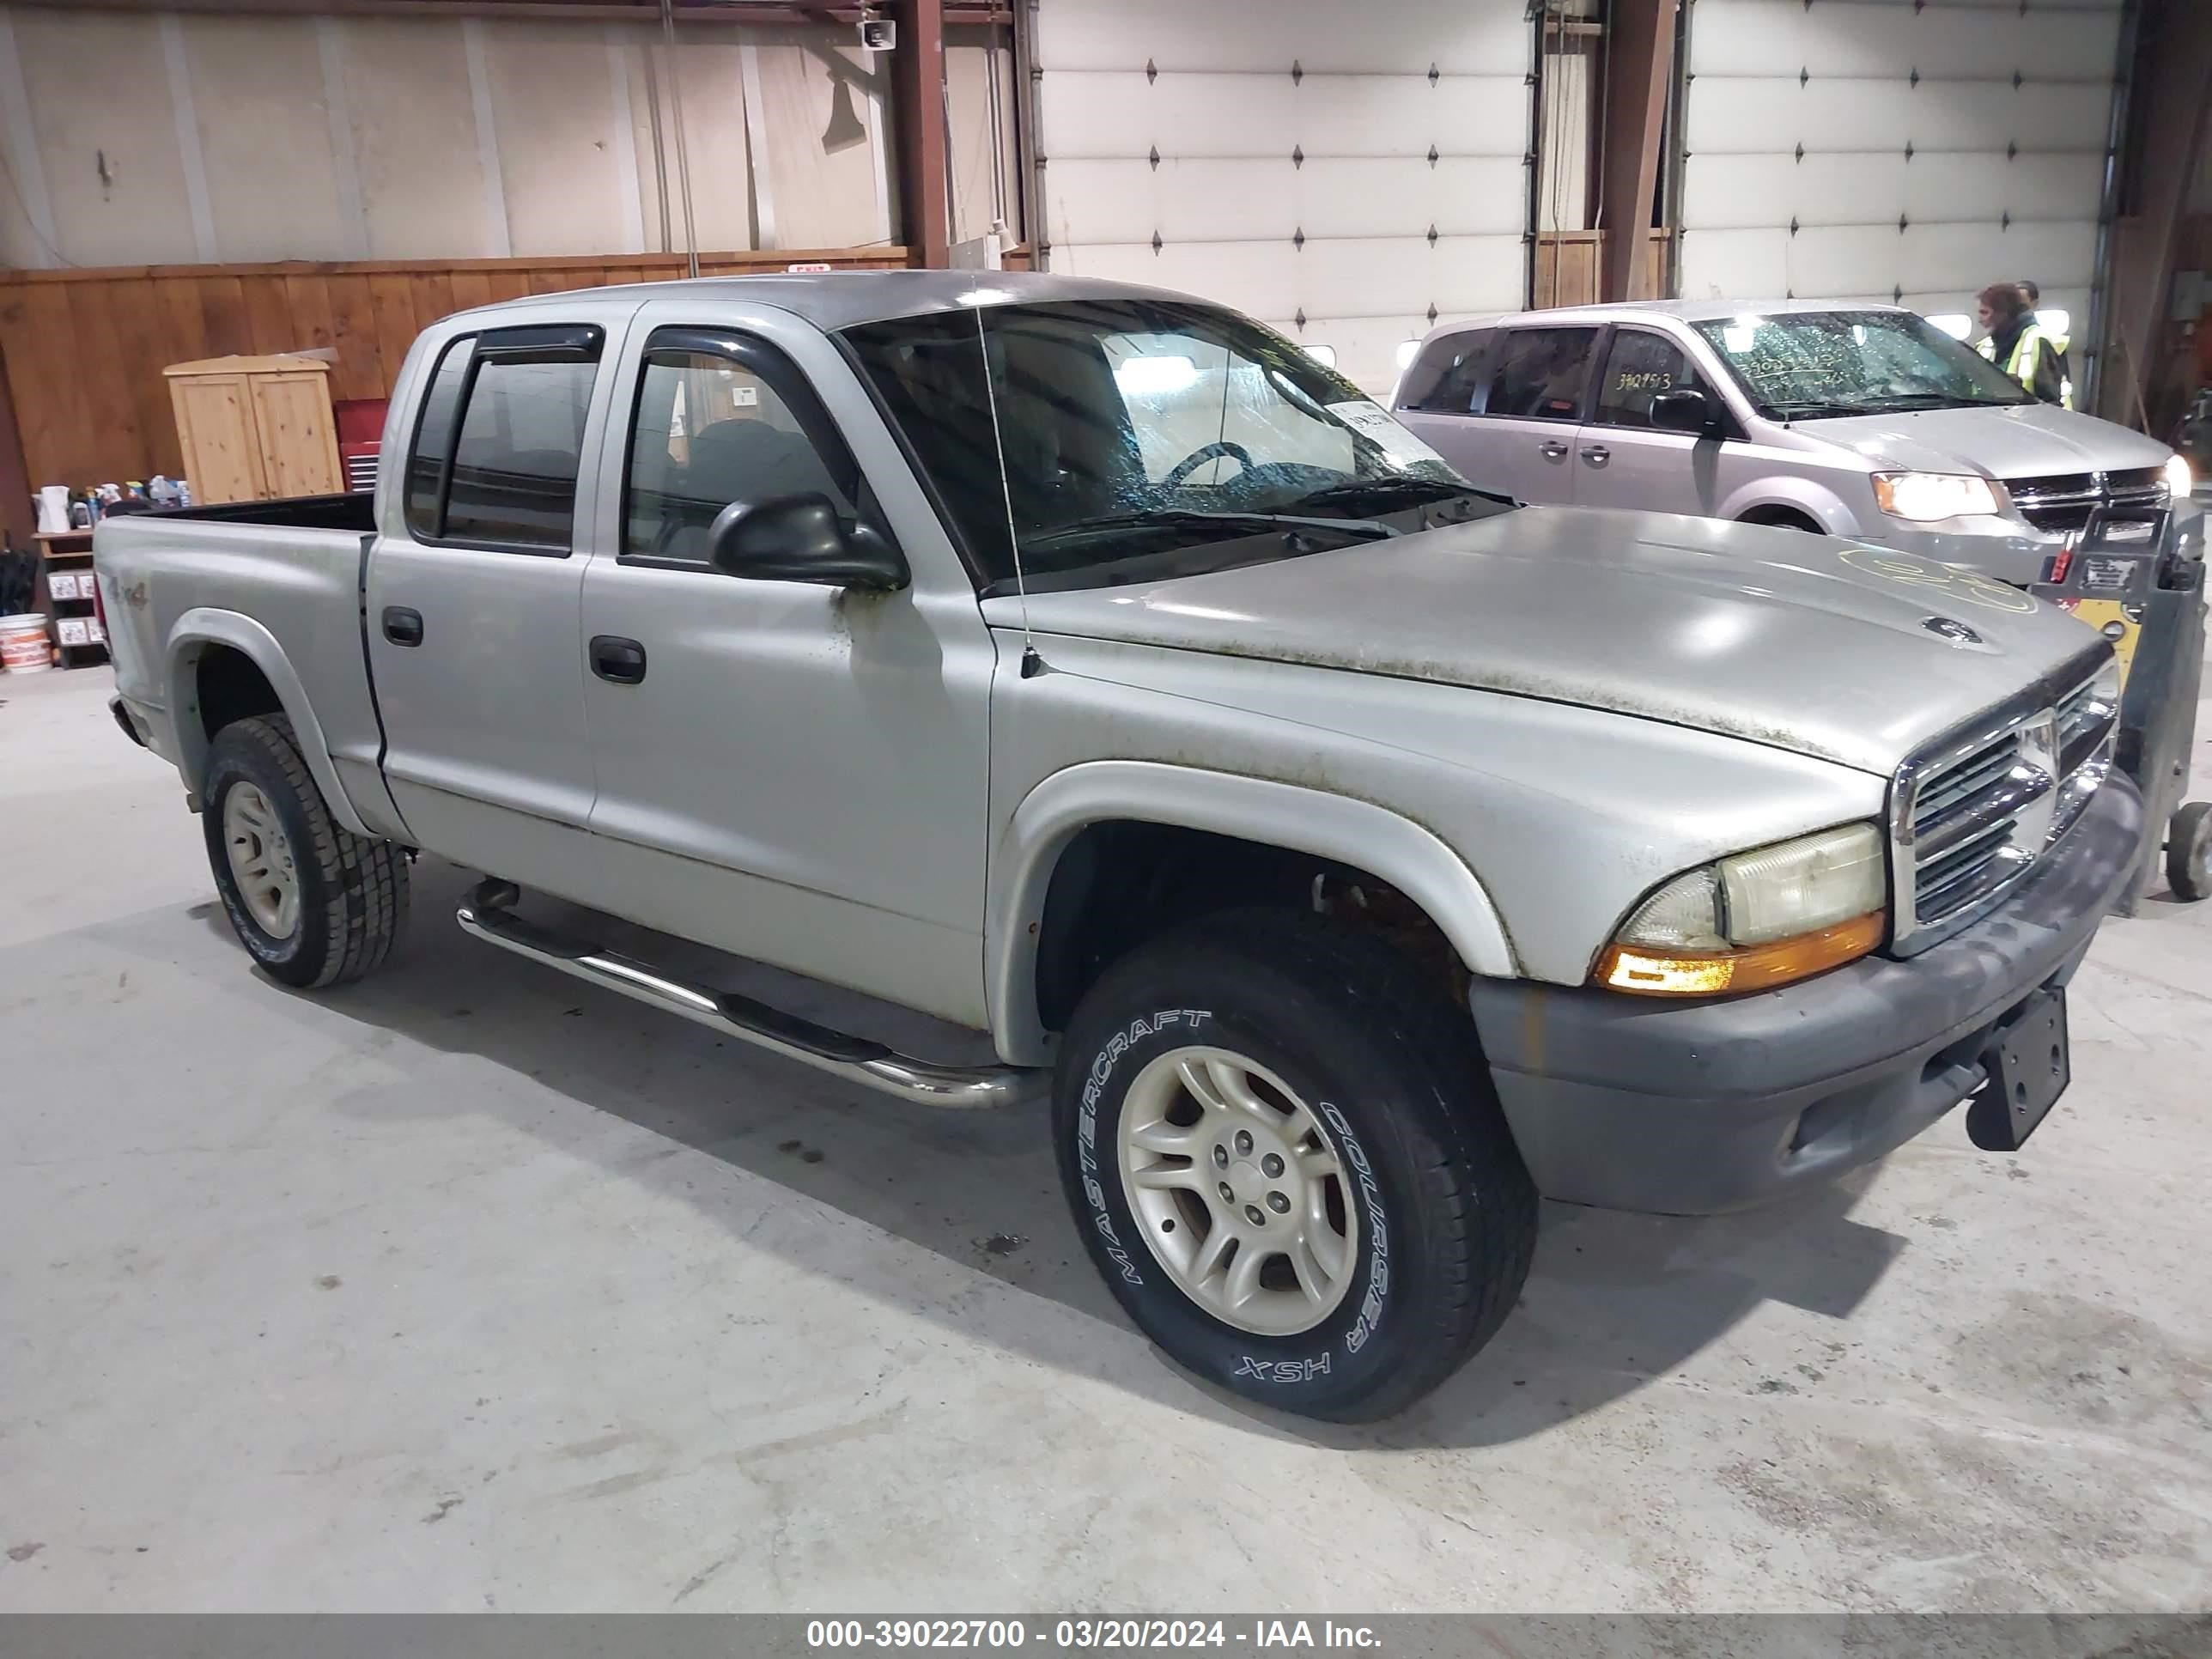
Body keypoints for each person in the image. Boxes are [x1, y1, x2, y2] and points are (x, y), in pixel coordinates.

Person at [1974, 282, 2066, 406]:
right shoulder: (1985, 346)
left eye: (1984, 313)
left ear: (2002, 313)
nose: (1980, 319)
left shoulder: (2037, 341)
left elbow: (2050, 401)